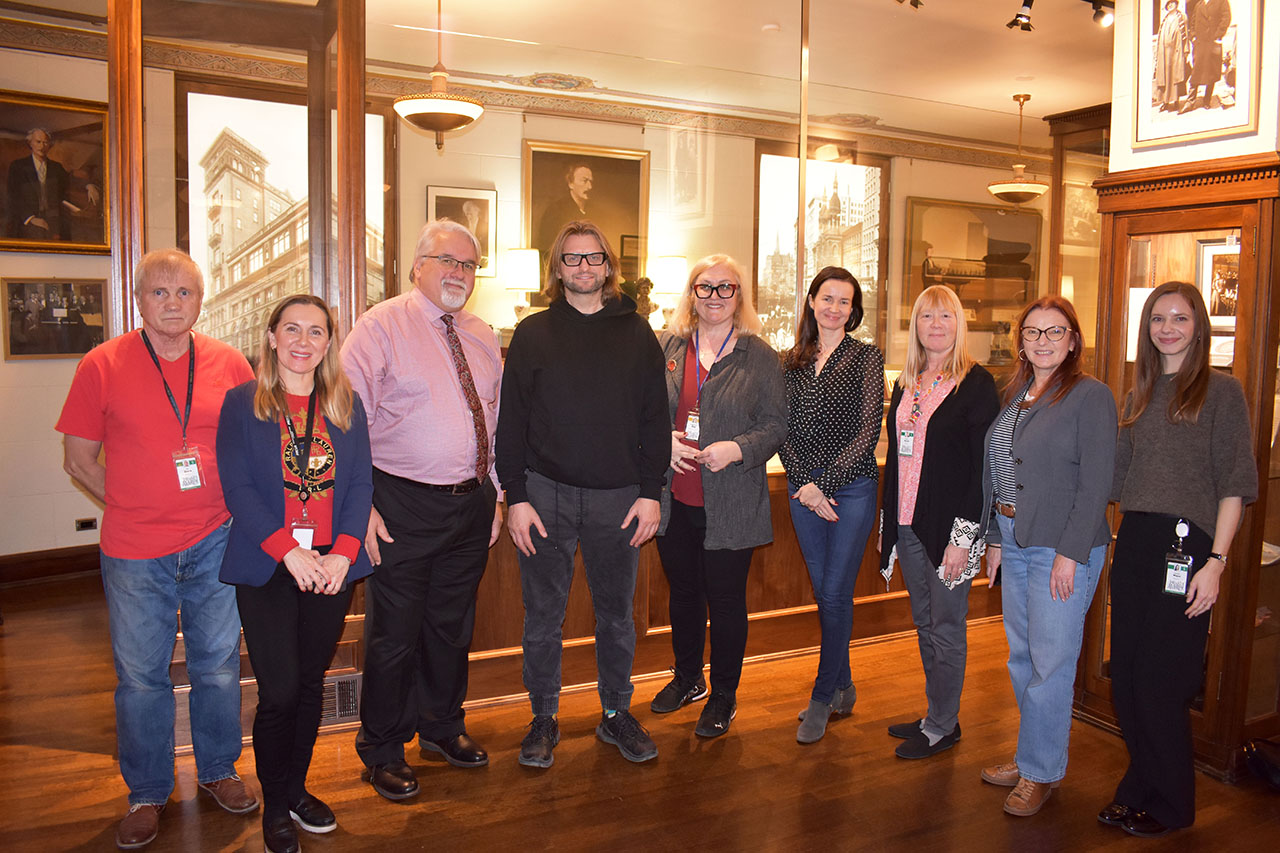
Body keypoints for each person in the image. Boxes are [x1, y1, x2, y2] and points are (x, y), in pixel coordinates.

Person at [55, 249, 259, 849]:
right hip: (134, 550)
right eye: (159, 292)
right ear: (139, 299)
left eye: (184, 292)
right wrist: (132, 503)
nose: (172, 304)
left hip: (215, 540)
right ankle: (146, 792)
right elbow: (78, 460)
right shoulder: (101, 363)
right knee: (141, 676)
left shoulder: (229, 363)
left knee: (217, 665)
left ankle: (219, 769)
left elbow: (252, 447)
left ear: (201, 300)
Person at [340, 220, 503, 801]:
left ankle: (441, 727)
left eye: (468, 264)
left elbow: (493, 422)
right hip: (400, 504)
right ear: (417, 266)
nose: (458, 273)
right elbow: (344, 424)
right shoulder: (378, 327)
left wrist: (496, 494)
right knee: (394, 635)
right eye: (446, 261)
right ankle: (383, 748)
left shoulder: (482, 335)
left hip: (471, 504)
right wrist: (360, 507)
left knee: (451, 628)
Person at [497, 219, 668, 767]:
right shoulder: (532, 333)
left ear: (608, 266)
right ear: (558, 268)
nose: (584, 266)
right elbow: (511, 422)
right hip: (544, 495)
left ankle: (615, 713)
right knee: (542, 616)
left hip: (619, 498)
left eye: (594, 257)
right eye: (572, 258)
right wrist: (515, 496)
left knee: (617, 616)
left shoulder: (637, 332)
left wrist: (651, 492)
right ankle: (543, 717)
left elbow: (655, 419)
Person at [216, 294, 374, 853]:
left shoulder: (346, 403)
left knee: (310, 684)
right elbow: (237, 487)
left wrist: (344, 553)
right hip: (269, 564)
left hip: (331, 566)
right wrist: (289, 551)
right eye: (292, 329)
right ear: (272, 337)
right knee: (280, 691)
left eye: (316, 331)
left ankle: (295, 791)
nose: (303, 341)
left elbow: (361, 483)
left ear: (329, 342)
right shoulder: (243, 403)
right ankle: (275, 804)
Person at [1101, 281, 1257, 838]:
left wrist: (1216, 562)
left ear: (1198, 327)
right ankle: (1139, 786)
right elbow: (1114, 479)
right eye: (1158, 318)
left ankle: (1173, 804)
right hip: (1136, 542)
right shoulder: (1138, 394)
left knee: (1160, 681)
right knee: (1127, 680)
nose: (1167, 328)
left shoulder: (1222, 392)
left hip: (1189, 548)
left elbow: (1235, 484)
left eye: (1180, 318)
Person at [978, 296, 1117, 817]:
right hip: (1015, 540)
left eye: (1055, 331)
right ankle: (1031, 755)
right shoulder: (1017, 393)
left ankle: (1040, 771)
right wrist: (995, 538)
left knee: (1051, 663)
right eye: (1032, 332)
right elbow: (1002, 471)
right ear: (1021, 341)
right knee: (1022, 657)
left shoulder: (1090, 396)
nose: (1042, 341)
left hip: (1062, 546)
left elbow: (1096, 483)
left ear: (1073, 340)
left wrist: (1070, 554)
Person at [649, 254, 786, 737]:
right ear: (692, 294)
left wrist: (738, 448)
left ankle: (724, 694)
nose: (714, 296)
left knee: (726, 602)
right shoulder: (666, 346)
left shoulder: (759, 355)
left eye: (725, 288)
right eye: (704, 287)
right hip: (674, 498)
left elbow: (776, 425)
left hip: (731, 502)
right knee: (684, 595)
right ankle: (688, 678)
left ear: (739, 296)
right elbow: (641, 410)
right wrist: (661, 441)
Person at [879, 284, 999, 760]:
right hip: (909, 524)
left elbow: (983, 469)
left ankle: (943, 726)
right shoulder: (907, 381)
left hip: (951, 532)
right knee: (925, 623)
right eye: (927, 316)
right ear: (916, 325)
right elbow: (900, 458)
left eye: (945, 316)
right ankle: (937, 714)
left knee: (947, 626)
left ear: (959, 324)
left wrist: (963, 539)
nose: (936, 325)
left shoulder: (976, 383)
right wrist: (891, 527)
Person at [780, 267, 885, 744]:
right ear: (812, 301)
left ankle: (823, 696)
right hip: (802, 491)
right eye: (827, 298)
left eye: (845, 301)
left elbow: (868, 432)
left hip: (853, 488)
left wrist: (824, 485)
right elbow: (782, 429)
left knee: (837, 593)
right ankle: (844, 686)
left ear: (853, 310)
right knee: (825, 593)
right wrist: (806, 485)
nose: (834, 308)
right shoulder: (790, 361)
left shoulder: (866, 357)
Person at [6, 127, 81, 240]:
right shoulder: (18, 166)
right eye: (38, 142)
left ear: (49, 145)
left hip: (53, 223)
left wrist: (88, 185)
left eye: (45, 142)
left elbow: (70, 184)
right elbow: (13, 196)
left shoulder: (56, 167)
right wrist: (31, 218)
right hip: (26, 223)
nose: (42, 146)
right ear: (30, 143)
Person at [1181, 0, 1231, 113]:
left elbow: (1226, 18)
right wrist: (1193, 36)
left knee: (1211, 72)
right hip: (1200, 43)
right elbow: (1192, 22)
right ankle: (1190, 101)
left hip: (1213, 41)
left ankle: (1207, 100)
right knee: (1196, 72)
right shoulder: (1199, 4)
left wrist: (1218, 35)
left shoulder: (1221, 2)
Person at [535, 163, 593, 256]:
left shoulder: (596, 212)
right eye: (584, 181)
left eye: (590, 181)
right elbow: (548, 248)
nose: (589, 187)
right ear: (570, 184)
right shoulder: (555, 211)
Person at [1155, 0, 1190, 112]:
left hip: (1176, 51)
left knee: (1175, 76)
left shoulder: (1181, 17)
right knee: (1165, 77)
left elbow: (1186, 34)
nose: (1170, 5)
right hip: (1164, 53)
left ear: (1176, 4)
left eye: (1172, 3)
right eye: (1168, 4)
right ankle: (1165, 102)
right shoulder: (1164, 20)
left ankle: (1176, 101)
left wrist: (1186, 49)